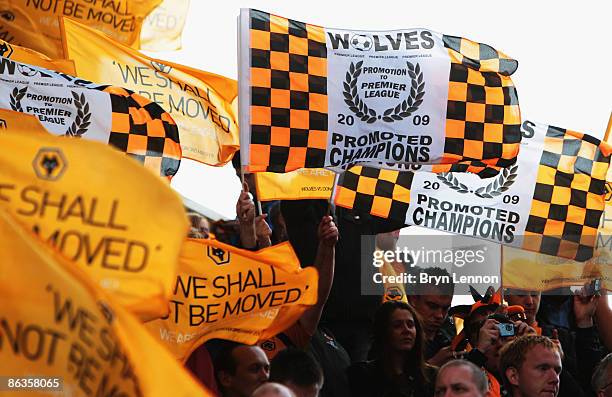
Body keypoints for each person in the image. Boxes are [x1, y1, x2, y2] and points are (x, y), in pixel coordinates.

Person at [347, 301, 436, 397]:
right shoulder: (362, 375)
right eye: (397, 325)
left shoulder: (432, 376)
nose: (406, 330)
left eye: (410, 325)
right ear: (383, 331)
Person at [407, 267, 456, 366]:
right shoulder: (396, 338)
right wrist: (432, 364)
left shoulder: (450, 337)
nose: (440, 315)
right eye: (432, 306)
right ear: (413, 300)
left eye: (445, 308)